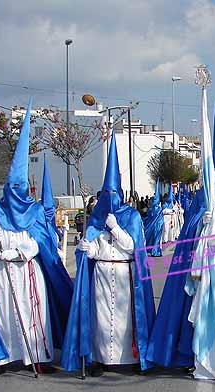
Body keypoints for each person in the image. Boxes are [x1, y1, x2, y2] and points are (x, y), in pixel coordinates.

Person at [0, 100, 72, 380]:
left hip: (27, 271)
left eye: (17, 187)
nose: (13, 191)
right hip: (0, 272)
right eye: (9, 186)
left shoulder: (34, 211)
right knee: (2, 313)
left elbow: (40, 244)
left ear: (25, 188)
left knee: (33, 313)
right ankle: (0, 358)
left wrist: (17, 252)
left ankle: (37, 357)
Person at [146, 102, 215, 380]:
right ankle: (198, 351)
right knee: (201, 305)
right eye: (214, 171)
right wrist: (202, 225)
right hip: (204, 261)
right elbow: (189, 230)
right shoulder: (201, 197)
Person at [61, 133, 155, 376]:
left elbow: (133, 248)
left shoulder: (132, 217)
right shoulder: (95, 218)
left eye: (114, 192)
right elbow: (95, 248)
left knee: (125, 319)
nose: (111, 197)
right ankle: (101, 359)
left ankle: (132, 358)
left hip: (125, 272)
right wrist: (87, 249)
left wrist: (115, 228)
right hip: (102, 273)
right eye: (107, 192)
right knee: (102, 318)